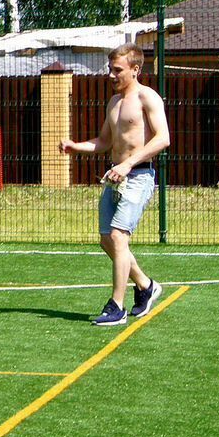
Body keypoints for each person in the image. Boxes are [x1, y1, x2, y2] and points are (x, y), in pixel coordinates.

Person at [60, 43, 169, 326]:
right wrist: (76, 146)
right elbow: (105, 142)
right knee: (107, 240)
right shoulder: (114, 102)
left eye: (117, 70)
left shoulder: (148, 97)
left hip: (138, 176)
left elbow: (162, 138)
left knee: (119, 238)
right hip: (115, 177)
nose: (111, 75)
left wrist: (129, 164)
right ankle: (146, 286)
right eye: (110, 69)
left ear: (135, 69)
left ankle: (116, 307)